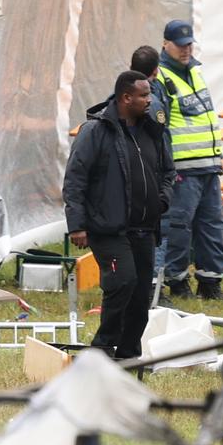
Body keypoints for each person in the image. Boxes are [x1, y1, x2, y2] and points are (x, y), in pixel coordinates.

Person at [63, 71, 170, 362]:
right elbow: (75, 178)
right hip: (108, 229)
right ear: (126, 98)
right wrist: (77, 224)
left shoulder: (152, 129)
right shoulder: (95, 131)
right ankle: (102, 349)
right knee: (122, 281)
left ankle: (129, 356)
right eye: (144, 95)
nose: (150, 100)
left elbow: (167, 171)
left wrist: (162, 200)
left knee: (139, 297)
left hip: (144, 229)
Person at [151, 18, 223, 299]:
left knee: (212, 225)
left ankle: (210, 282)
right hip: (183, 169)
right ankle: (177, 280)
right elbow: (161, 127)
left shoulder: (195, 72)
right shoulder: (161, 78)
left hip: (208, 165)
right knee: (178, 228)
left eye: (189, 44)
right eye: (180, 45)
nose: (186, 50)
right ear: (165, 44)